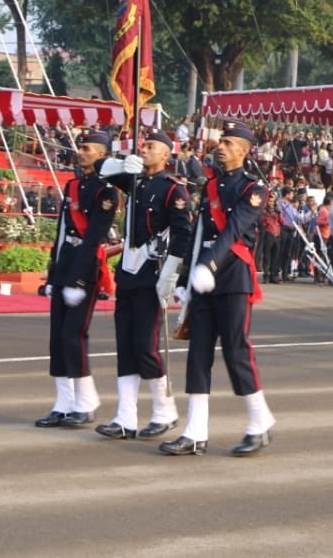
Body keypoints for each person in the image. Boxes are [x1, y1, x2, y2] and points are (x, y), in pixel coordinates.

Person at [161, 122, 276, 457]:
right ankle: (195, 431)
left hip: (232, 275)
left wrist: (209, 265)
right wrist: (185, 279)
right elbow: (198, 235)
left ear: (244, 149)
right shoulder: (212, 183)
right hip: (203, 275)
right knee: (198, 353)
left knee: (235, 350)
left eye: (227, 142)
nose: (220, 146)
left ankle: (259, 420)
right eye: (220, 141)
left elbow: (234, 233)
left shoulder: (252, 188)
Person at [96, 129, 191, 441]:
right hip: (129, 270)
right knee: (125, 344)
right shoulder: (136, 179)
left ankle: (165, 411)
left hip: (152, 271)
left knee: (146, 346)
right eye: (144, 145)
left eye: (151, 147)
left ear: (165, 154)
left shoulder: (172, 190)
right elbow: (101, 169)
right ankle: (126, 416)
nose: (145, 149)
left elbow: (182, 234)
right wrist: (125, 162)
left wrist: (171, 275)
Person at [35, 130, 119, 429]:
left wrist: (79, 280)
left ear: (101, 154)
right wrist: (53, 272)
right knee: (57, 336)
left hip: (85, 264)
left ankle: (86, 401)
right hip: (66, 261)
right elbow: (61, 234)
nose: (79, 152)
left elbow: (95, 236)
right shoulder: (72, 185)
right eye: (80, 147)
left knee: (74, 334)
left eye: (86, 148)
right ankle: (64, 402)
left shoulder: (106, 191)